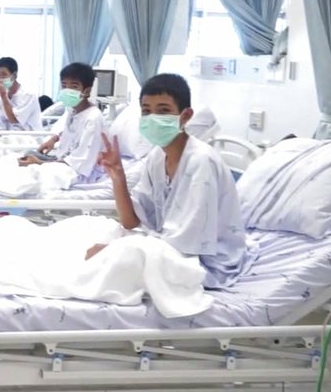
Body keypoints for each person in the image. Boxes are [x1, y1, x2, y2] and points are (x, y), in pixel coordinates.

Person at [86, 73, 254, 289]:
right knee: (90, 232)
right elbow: (131, 222)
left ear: (185, 116)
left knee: (105, 260)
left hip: (204, 263)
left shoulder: (200, 162)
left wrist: (118, 251)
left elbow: (185, 247)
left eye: (163, 110)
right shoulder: (157, 157)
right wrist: (117, 176)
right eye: (146, 111)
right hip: (170, 248)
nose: (153, 117)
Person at [17, 62, 104, 184]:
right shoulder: (73, 110)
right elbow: (74, 131)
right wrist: (54, 138)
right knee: (25, 156)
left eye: (74, 86)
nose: (67, 90)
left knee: (31, 173)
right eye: (64, 85)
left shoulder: (93, 119)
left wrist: (40, 163)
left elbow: (80, 163)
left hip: (75, 173)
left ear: (87, 91)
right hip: (61, 160)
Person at [0, 57, 43, 144]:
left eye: (4, 74)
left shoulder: (29, 96)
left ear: (14, 75)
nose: (1, 79)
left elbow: (14, 120)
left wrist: (3, 95)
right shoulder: (2, 99)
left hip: (29, 140)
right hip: (10, 139)